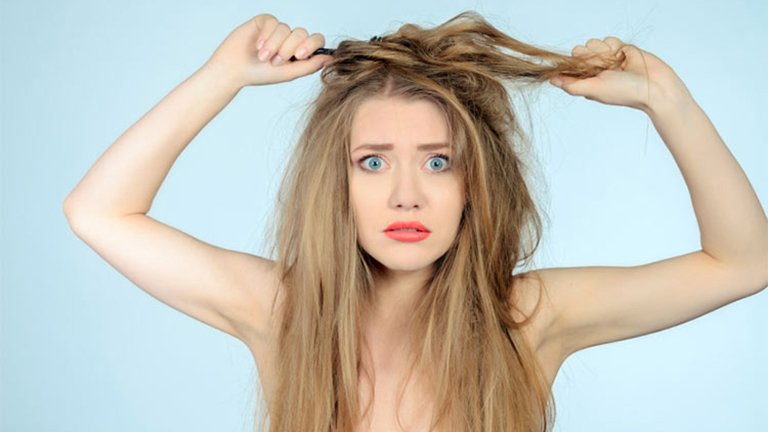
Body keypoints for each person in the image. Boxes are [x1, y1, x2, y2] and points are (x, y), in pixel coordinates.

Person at [62, 10, 767, 432]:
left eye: (438, 163)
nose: (406, 195)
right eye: (372, 162)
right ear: (333, 184)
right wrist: (222, 75)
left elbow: (744, 263)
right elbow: (97, 210)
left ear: (474, 185)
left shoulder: (525, 318)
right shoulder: (282, 311)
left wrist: (666, 101)